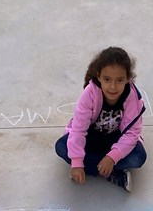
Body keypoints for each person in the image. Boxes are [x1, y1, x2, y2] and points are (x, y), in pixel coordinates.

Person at [55, 47, 146, 192]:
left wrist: (112, 157)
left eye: (120, 80)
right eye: (107, 79)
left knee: (139, 157)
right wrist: (77, 162)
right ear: (98, 76)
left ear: (128, 79)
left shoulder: (132, 98)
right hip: (91, 137)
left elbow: (132, 134)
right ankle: (111, 173)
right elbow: (79, 129)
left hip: (116, 139)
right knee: (61, 147)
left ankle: (94, 167)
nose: (113, 87)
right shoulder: (89, 94)